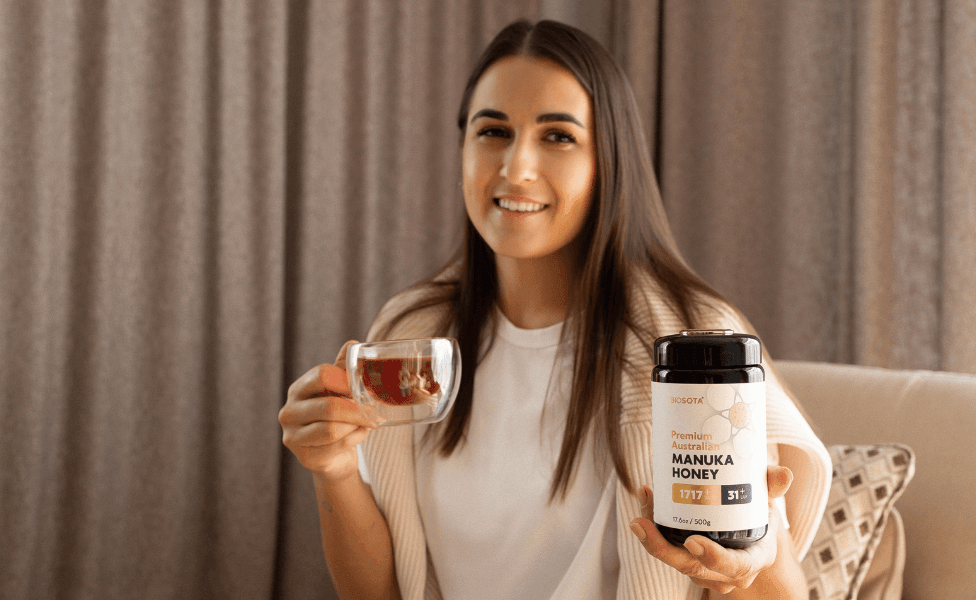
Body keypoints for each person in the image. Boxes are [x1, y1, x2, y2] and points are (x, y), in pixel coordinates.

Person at [279, 19, 831, 600]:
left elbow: (778, 590)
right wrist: (334, 469)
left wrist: (747, 565)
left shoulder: (696, 343)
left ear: (608, 162)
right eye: (493, 131)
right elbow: (380, 594)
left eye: (558, 137)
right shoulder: (411, 332)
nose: (516, 168)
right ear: (462, 145)